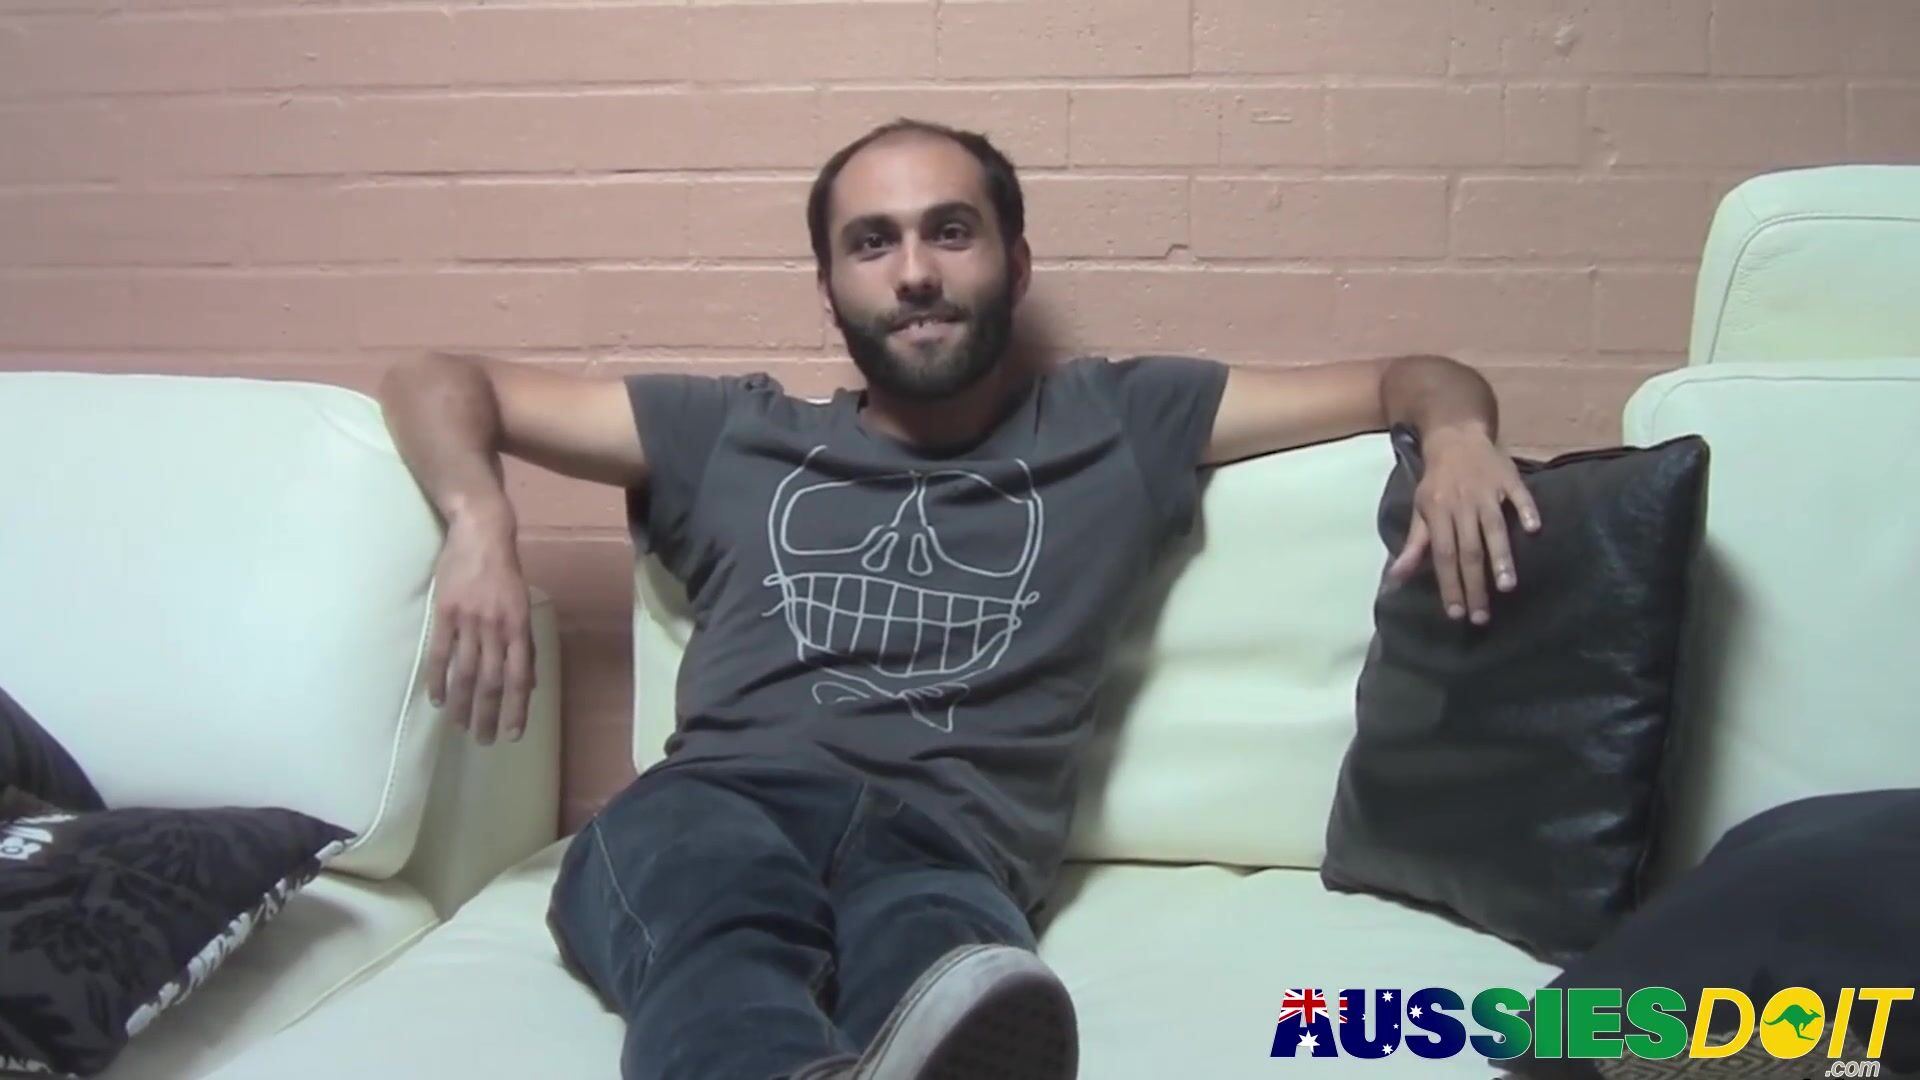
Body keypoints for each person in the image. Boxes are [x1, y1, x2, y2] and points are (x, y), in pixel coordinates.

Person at [376, 118, 1542, 1080]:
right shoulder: (730, 433)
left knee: (952, 968)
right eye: (871, 243)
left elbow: (1417, 376)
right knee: (717, 926)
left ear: (1015, 265)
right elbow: (437, 379)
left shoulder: (1118, 424)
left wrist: (1454, 436)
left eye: (950, 231)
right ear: (830, 288)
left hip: (948, 841)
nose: (915, 272)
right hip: (717, 803)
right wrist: (480, 521)